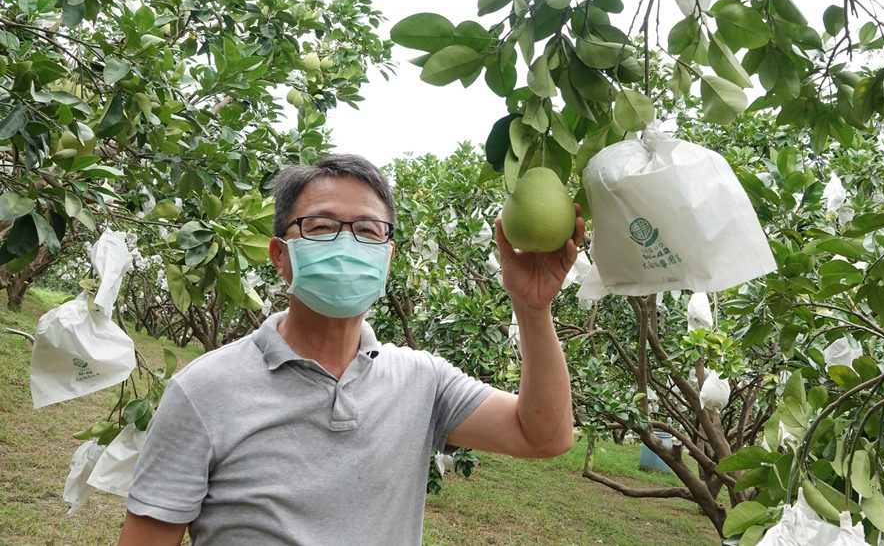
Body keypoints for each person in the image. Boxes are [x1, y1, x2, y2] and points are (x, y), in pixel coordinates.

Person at [117, 153, 581, 546]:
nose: (345, 242)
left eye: (367, 229)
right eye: (319, 227)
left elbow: (544, 436)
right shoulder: (203, 391)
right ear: (280, 256)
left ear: (387, 256)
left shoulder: (423, 381)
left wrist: (532, 308)